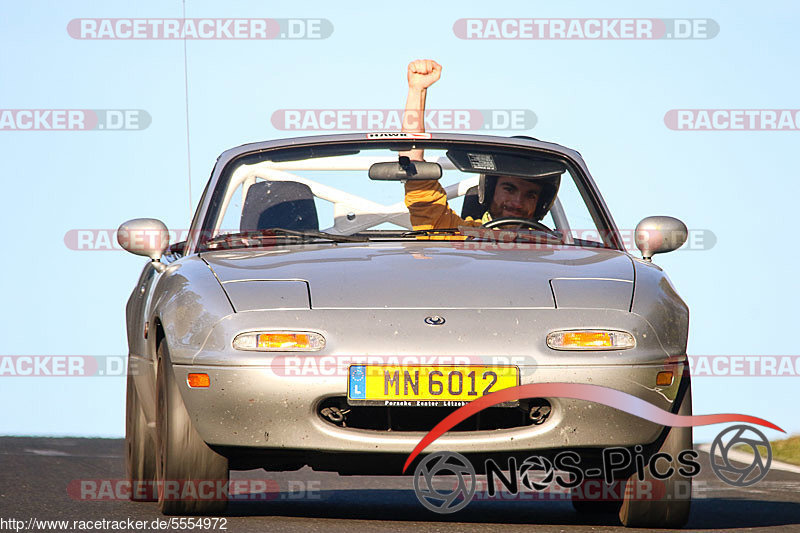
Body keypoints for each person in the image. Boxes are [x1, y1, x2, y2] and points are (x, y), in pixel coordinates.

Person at [401, 59, 560, 231]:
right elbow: (413, 166)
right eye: (509, 189)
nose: (517, 203)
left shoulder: (556, 250)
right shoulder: (458, 235)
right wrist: (417, 90)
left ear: (541, 203)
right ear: (489, 189)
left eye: (530, 195)